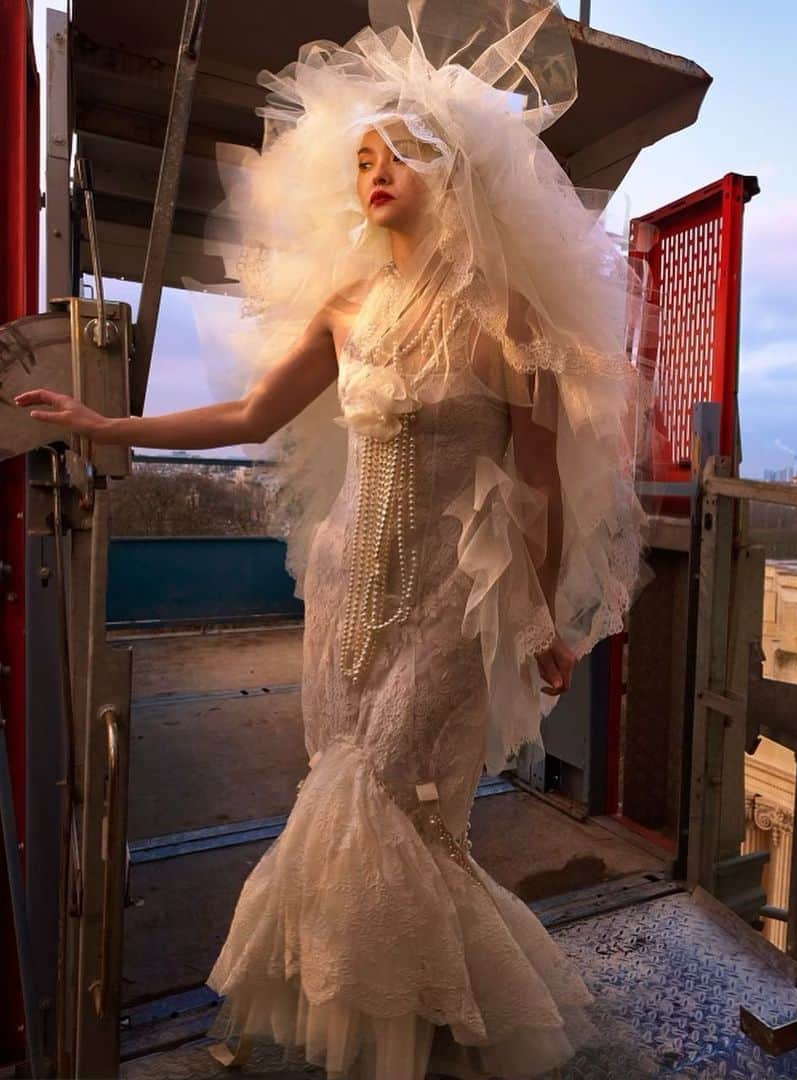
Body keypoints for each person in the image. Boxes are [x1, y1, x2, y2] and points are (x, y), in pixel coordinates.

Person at [15, 2, 654, 1076]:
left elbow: (541, 485)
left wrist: (544, 621)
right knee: (337, 785)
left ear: (450, 173)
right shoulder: (347, 308)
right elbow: (249, 419)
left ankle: (410, 1027)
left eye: (398, 151)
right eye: (362, 156)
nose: (375, 169)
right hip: (349, 585)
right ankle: (384, 1016)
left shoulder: (509, 323)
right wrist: (108, 423)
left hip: (453, 602)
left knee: (395, 802)